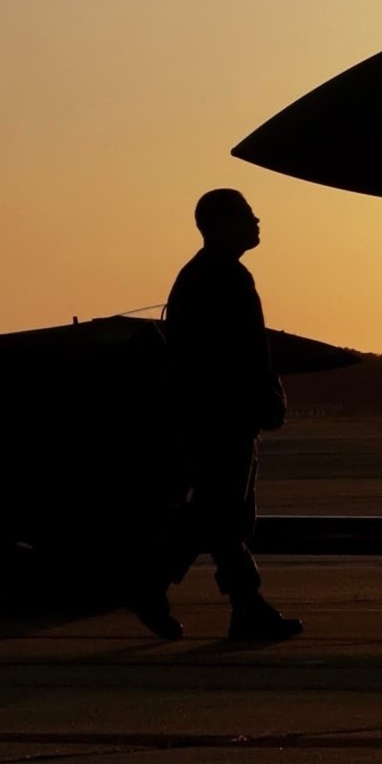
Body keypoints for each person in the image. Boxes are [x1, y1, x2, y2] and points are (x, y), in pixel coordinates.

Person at [129, 188, 301, 642]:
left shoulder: (212, 275)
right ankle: (161, 588)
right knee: (218, 514)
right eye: (246, 213)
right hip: (219, 417)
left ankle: (240, 608)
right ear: (221, 223)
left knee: (225, 515)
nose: (256, 220)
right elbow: (231, 355)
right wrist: (262, 396)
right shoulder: (218, 278)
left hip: (220, 415)